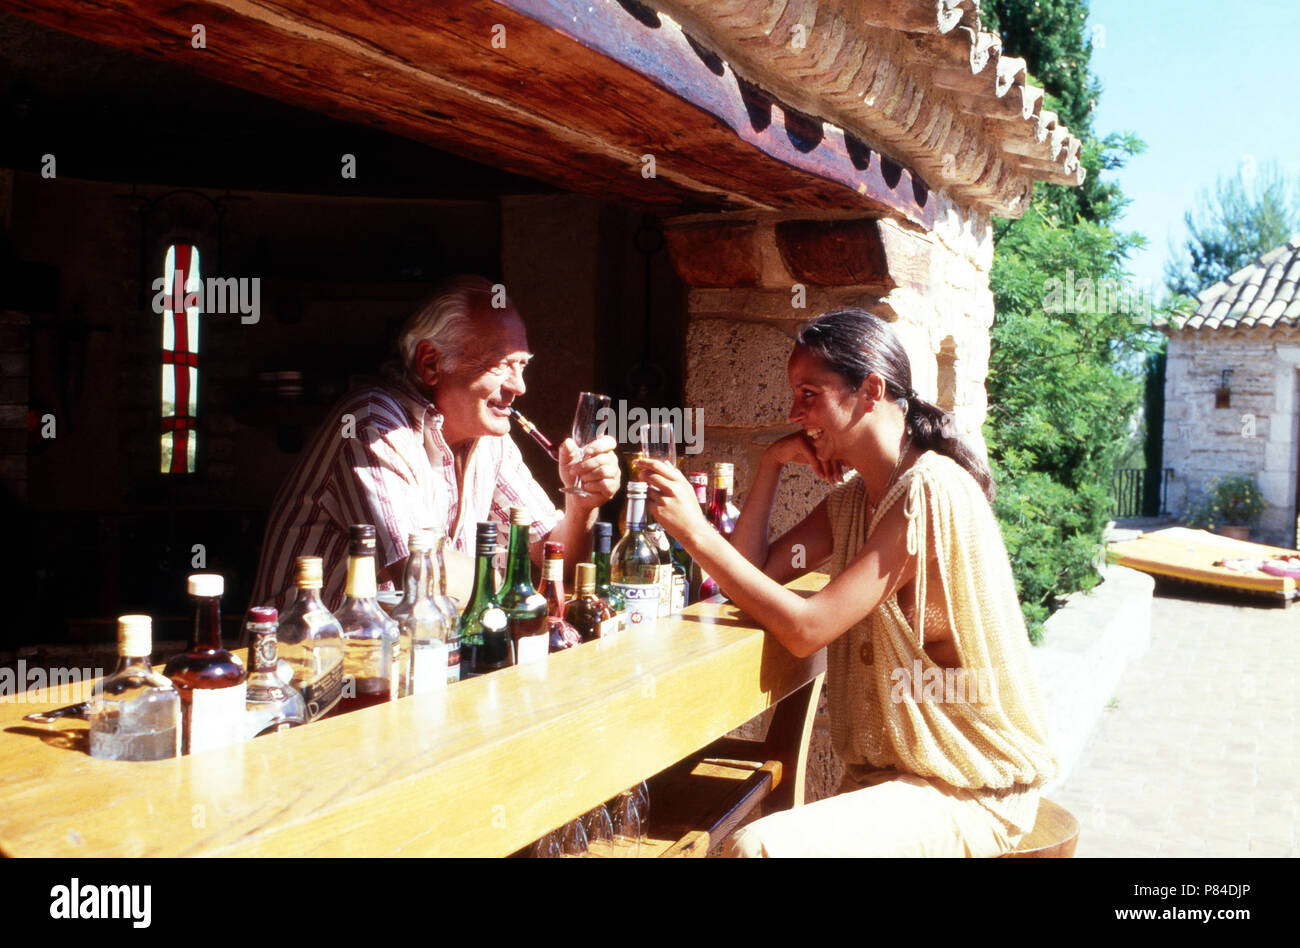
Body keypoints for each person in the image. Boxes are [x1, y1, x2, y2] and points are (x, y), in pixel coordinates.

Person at [640, 309, 1057, 857]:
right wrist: (771, 463)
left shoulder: (930, 493)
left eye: (809, 393)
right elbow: (754, 574)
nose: (796, 412)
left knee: (757, 847)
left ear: (872, 390)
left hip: (969, 787)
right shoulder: (856, 502)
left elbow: (807, 628)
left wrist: (695, 532)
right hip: (899, 782)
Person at [250, 275, 621, 612]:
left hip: (403, 666)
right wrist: (519, 590)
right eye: (500, 364)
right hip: (304, 672)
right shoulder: (371, 423)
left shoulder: (490, 440)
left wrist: (580, 505)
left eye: (522, 365)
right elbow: (421, 572)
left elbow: (556, 565)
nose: (519, 387)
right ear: (430, 363)